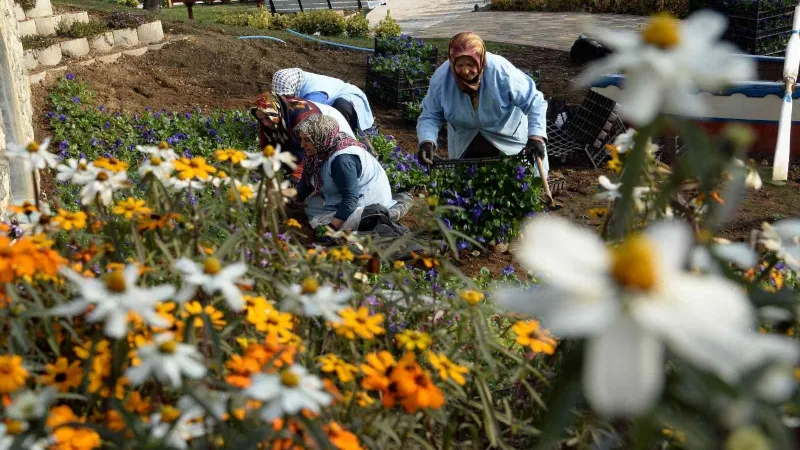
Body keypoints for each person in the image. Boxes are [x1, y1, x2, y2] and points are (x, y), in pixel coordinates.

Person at [416, 32, 549, 175]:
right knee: (468, 189)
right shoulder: (442, 79)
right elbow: (430, 115)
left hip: (507, 140)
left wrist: (536, 136)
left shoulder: (500, 72)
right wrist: (427, 141)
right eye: (459, 65)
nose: (465, 71)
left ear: (480, 60)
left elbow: (535, 102)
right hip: (467, 142)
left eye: (470, 64)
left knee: (519, 182)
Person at [294, 115, 409, 231]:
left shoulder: (342, 160)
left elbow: (350, 198)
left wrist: (331, 228)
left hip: (366, 199)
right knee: (311, 205)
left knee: (332, 222)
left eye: (307, 140)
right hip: (346, 193)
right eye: (301, 139)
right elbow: (306, 181)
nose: (302, 145)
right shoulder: (321, 150)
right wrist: (293, 199)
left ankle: (374, 217)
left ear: (320, 137)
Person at [250, 93, 356, 182]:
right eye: (261, 119)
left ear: (275, 111)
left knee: (323, 164)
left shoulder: (302, 117)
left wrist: (297, 175)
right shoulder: (270, 116)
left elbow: (315, 149)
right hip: (302, 128)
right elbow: (266, 144)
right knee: (290, 152)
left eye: (266, 119)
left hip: (328, 123)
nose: (266, 123)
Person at [272, 68, 375, 135]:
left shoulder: (315, 94)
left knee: (341, 107)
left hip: (351, 99)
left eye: (287, 96)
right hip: (330, 102)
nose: (286, 99)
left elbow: (310, 117)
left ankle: (347, 134)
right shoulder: (293, 82)